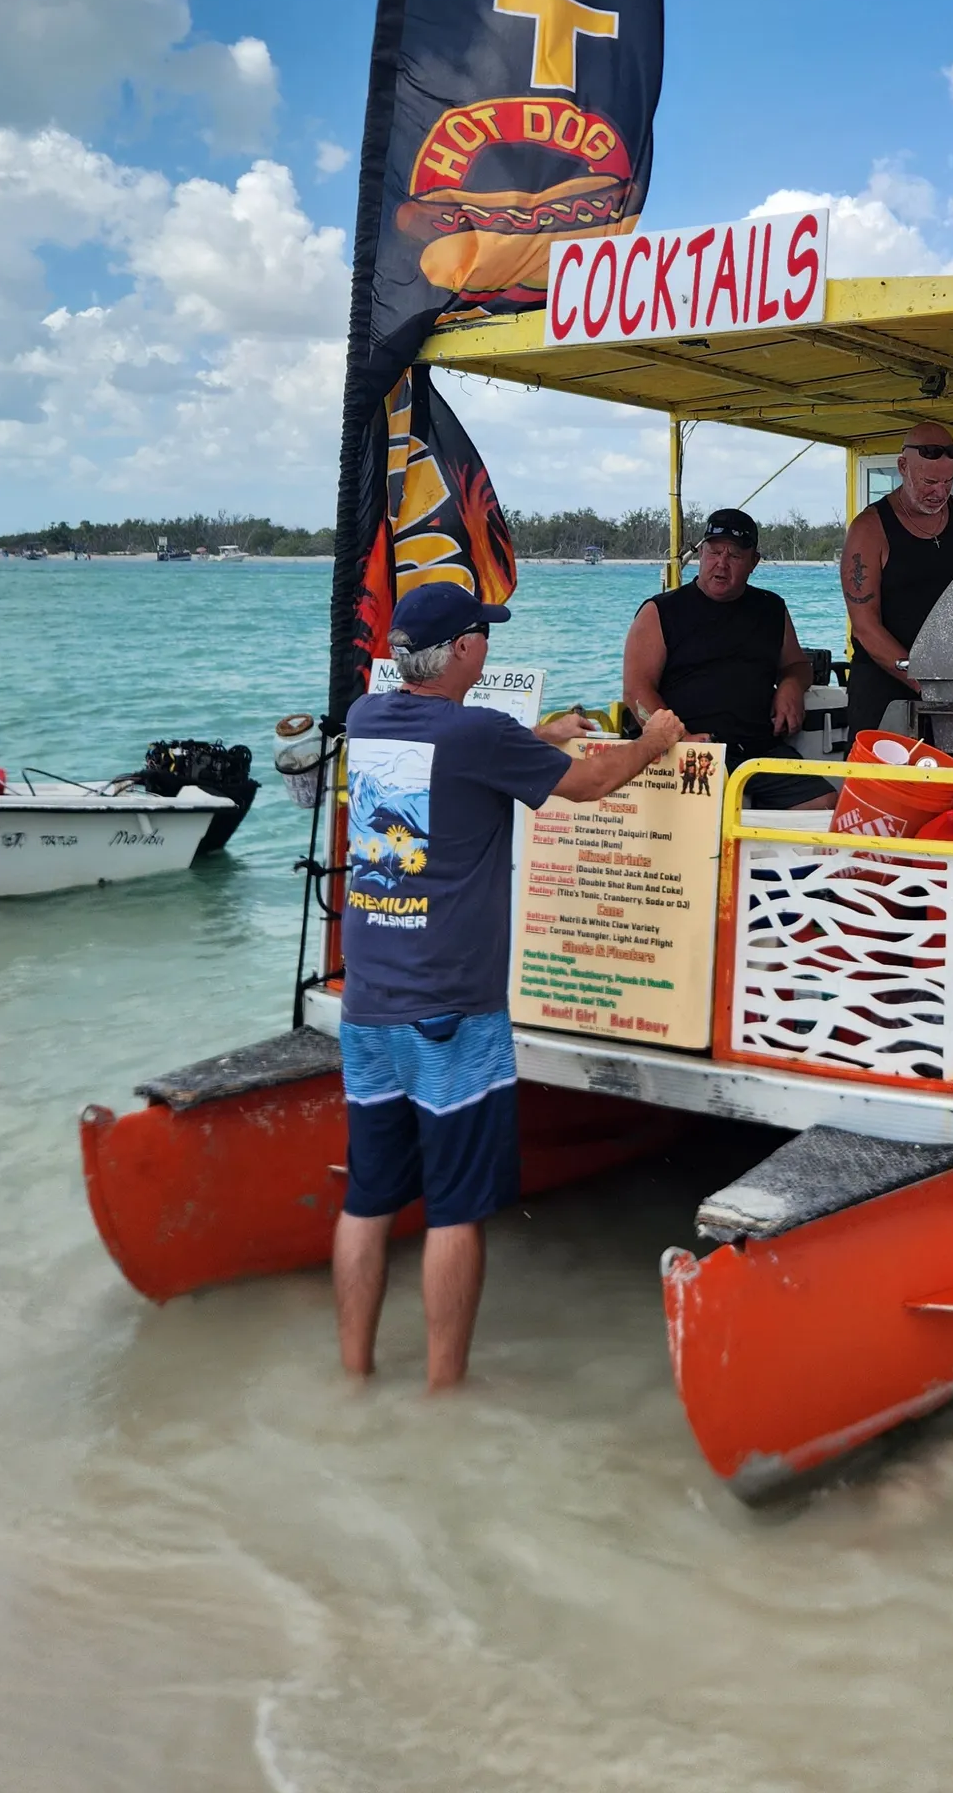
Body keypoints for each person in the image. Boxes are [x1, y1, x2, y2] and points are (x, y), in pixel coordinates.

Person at [332, 578, 682, 1392]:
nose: (488, 648)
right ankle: (444, 1395)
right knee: (454, 1210)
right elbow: (593, 785)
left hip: (369, 1005)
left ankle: (352, 1378)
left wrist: (543, 732)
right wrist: (656, 738)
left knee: (369, 1199)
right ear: (460, 651)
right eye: (480, 637)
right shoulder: (477, 735)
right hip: (450, 1012)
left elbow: (454, 754)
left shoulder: (367, 720)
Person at [622, 509, 817, 805]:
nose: (721, 565)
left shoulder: (771, 608)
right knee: (703, 815)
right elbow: (636, 690)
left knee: (826, 805)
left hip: (758, 750)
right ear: (701, 554)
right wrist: (679, 739)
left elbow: (798, 665)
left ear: (754, 562)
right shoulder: (660, 611)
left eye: (735, 556)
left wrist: (792, 684)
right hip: (685, 750)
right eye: (714, 552)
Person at [840, 422, 953, 735]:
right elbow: (866, 628)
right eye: (930, 481)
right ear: (902, 467)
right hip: (885, 684)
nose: (939, 492)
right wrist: (923, 681)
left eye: (948, 482)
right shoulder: (869, 528)